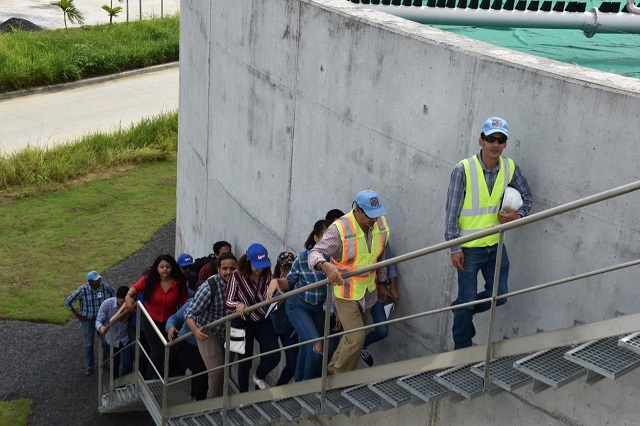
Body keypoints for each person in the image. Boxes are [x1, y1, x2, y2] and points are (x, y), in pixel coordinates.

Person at [445, 116, 532, 349]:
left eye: (500, 139)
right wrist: (454, 247)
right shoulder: (463, 170)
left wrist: (518, 216)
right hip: (469, 248)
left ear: (505, 143)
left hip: (495, 245)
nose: (495, 144)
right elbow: (451, 214)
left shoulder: (510, 167)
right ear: (480, 140)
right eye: (491, 139)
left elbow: (528, 198)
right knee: (468, 298)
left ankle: (462, 308)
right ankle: (462, 346)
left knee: (500, 295)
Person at [309, 190, 390, 374]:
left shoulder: (381, 224)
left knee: (350, 337)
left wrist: (382, 282)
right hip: (345, 291)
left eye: (377, 214)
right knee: (356, 339)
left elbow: (381, 254)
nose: (374, 220)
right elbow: (315, 253)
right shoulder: (340, 229)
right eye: (370, 215)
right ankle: (339, 380)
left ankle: (329, 373)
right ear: (358, 210)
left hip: (369, 290)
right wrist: (325, 266)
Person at [275, 219, 329, 381]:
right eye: (325, 238)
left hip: (318, 308)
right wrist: (276, 281)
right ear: (316, 238)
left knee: (307, 347)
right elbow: (289, 281)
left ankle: (298, 385)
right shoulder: (303, 258)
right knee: (317, 346)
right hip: (298, 306)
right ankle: (306, 387)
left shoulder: (333, 259)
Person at [225, 243, 280, 392]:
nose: (260, 270)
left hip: (262, 319)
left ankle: (259, 376)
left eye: (263, 265)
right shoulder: (236, 276)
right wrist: (237, 305)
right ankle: (243, 396)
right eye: (257, 266)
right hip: (241, 321)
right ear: (248, 262)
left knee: (274, 354)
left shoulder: (267, 274)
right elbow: (228, 301)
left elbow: (272, 293)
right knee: (245, 362)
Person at [124, 254, 188, 377]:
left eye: (168, 266)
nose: (165, 269)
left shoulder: (179, 284)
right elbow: (134, 288)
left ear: (172, 268)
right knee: (157, 352)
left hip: (170, 322)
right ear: (156, 268)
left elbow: (185, 303)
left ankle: (167, 377)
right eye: (161, 266)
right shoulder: (148, 280)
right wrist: (128, 297)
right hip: (151, 320)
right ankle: (153, 379)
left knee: (172, 351)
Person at [185, 252, 238, 398]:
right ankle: (212, 407)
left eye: (232, 268)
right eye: (224, 268)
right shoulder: (209, 287)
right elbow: (190, 313)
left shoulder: (242, 283)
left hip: (234, 333)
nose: (228, 272)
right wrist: (195, 331)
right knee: (217, 372)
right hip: (209, 332)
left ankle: (224, 404)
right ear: (218, 269)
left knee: (226, 370)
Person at [65, 270, 116, 376]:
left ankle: (105, 362)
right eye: (96, 280)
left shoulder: (103, 286)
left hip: (101, 319)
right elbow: (68, 301)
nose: (99, 281)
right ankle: (90, 366)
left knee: (105, 342)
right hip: (88, 321)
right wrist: (78, 315)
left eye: (99, 279)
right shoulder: (83, 290)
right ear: (90, 282)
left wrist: (109, 307)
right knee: (89, 343)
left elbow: (113, 292)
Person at [360, 242, 401, 366]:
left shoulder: (381, 234)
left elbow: (389, 263)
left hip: (373, 290)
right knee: (352, 335)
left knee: (382, 330)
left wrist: (392, 287)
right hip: (354, 293)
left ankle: (362, 345)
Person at [265, 251, 298, 386]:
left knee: (293, 363)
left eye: (289, 267)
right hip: (271, 325)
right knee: (268, 360)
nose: (286, 270)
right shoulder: (271, 280)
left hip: (288, 326)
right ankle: (258, 383)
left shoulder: (296, 281)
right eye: (283, 267)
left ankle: (279, 390)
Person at [166, 298, 208, 401]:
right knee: (201, 370)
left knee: (199, 371)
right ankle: (198, 400)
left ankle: (195, 396)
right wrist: (171, 327)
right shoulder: (193, 303)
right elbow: (175, 317)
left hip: (204, 345)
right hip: (186, 343)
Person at [96, 286, 133, 379]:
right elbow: (98, 321)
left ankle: (124, 384)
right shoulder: (106, 304)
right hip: (111, 340)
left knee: (127, 363)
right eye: (121, 302)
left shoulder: (131, 304)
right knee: (114, 365)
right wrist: (101, 327)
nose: (123, 305)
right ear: (116, 298)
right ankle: (115, 383)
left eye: (125, 302)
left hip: (126, 339)